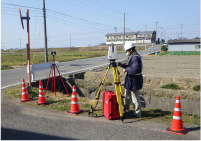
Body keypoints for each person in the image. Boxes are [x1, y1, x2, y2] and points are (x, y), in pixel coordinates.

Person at [118, 42, 143, 118]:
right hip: (130, 80)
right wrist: (123, 66)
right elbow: (130, 66)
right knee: (127, 94)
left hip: (134, 80)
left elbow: (135, 69)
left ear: (131, 50)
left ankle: (137, 114)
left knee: (135, 97)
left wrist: (126, 69)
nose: (127, 52)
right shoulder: (133, 56)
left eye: (127, 51)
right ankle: (126, 109)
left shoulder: (135, 57)